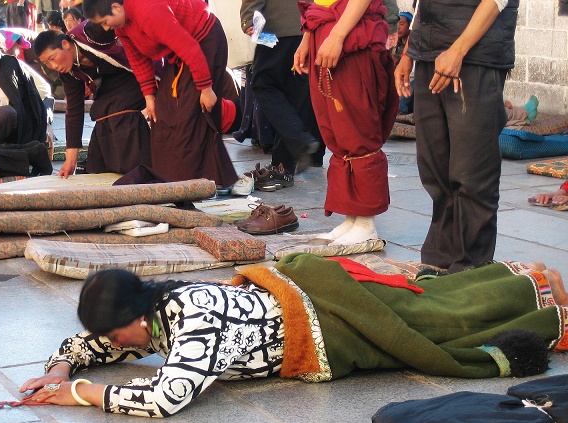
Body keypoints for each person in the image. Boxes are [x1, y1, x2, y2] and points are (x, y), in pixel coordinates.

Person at [19, 253, 567, 417]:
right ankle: (528, 285)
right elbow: (101, 344)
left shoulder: (193, 318)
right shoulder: (154, 310)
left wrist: (80, 393)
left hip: (325, 328)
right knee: (425, 305)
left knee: (433, 322)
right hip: (299, 305)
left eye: (119, 334)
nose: (119, 345)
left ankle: (537, 296)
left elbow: (168, 396)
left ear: (135, 316)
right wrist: (62, 365)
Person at [394, 0, 517, 272]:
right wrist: (409, 54)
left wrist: (458, 50)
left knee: (472, 171)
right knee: (435, 167)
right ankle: (439, 262)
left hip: (475, 55)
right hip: (429, 54)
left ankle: (469, 266)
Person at [82, 0, 238, 191]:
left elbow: (189, 47)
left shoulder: (148, 11)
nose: (106, 28)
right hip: (180, 54)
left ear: (115, 7)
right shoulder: (122, 26)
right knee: (162, 115)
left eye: (105, 21)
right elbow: (138, 59)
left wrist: (205, 88)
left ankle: (196, 182)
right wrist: (149, 96)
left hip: (204, 42)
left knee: (188, 117)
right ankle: (170, 181)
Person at [293, 0, 399, 245]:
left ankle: (365, 223)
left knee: (357, 129)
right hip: (325, 30)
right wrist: (308, 37)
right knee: (338, 131)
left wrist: (338, 35)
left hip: (351, 34)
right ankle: (353, 218)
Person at [34, 24, 151, 176]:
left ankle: (137, 170)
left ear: (65, 44)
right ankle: (105, 170)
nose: (53, 66)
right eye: (47, 63)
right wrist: (70, 161)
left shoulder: (91, 32)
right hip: (113, 82)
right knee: (101, 111)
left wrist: (151, 95)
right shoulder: (68, 72)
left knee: (119, 111)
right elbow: (74, 110)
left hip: (140, 71)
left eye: (52, 58)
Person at [240, 0, 325, 178]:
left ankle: (300, 142)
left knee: (264, 86)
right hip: (308, 29)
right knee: (297, 95)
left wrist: (248, 18)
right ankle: (283, 165)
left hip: (276, 30)